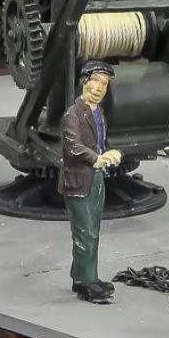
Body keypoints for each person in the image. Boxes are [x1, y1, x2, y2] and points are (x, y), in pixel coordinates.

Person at [60, 60, 122, 303]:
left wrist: (110, 153)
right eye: (94, 81)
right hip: (79, 180)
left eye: (103, 84)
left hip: (96, 178)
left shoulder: (99, 113)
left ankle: (82, 275)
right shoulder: (72, 115)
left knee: (92, 231)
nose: (97, 88)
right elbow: (73, 147)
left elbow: (100, 142)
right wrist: (97, 158)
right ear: (83, 82)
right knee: (86, 233)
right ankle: (86, 282)